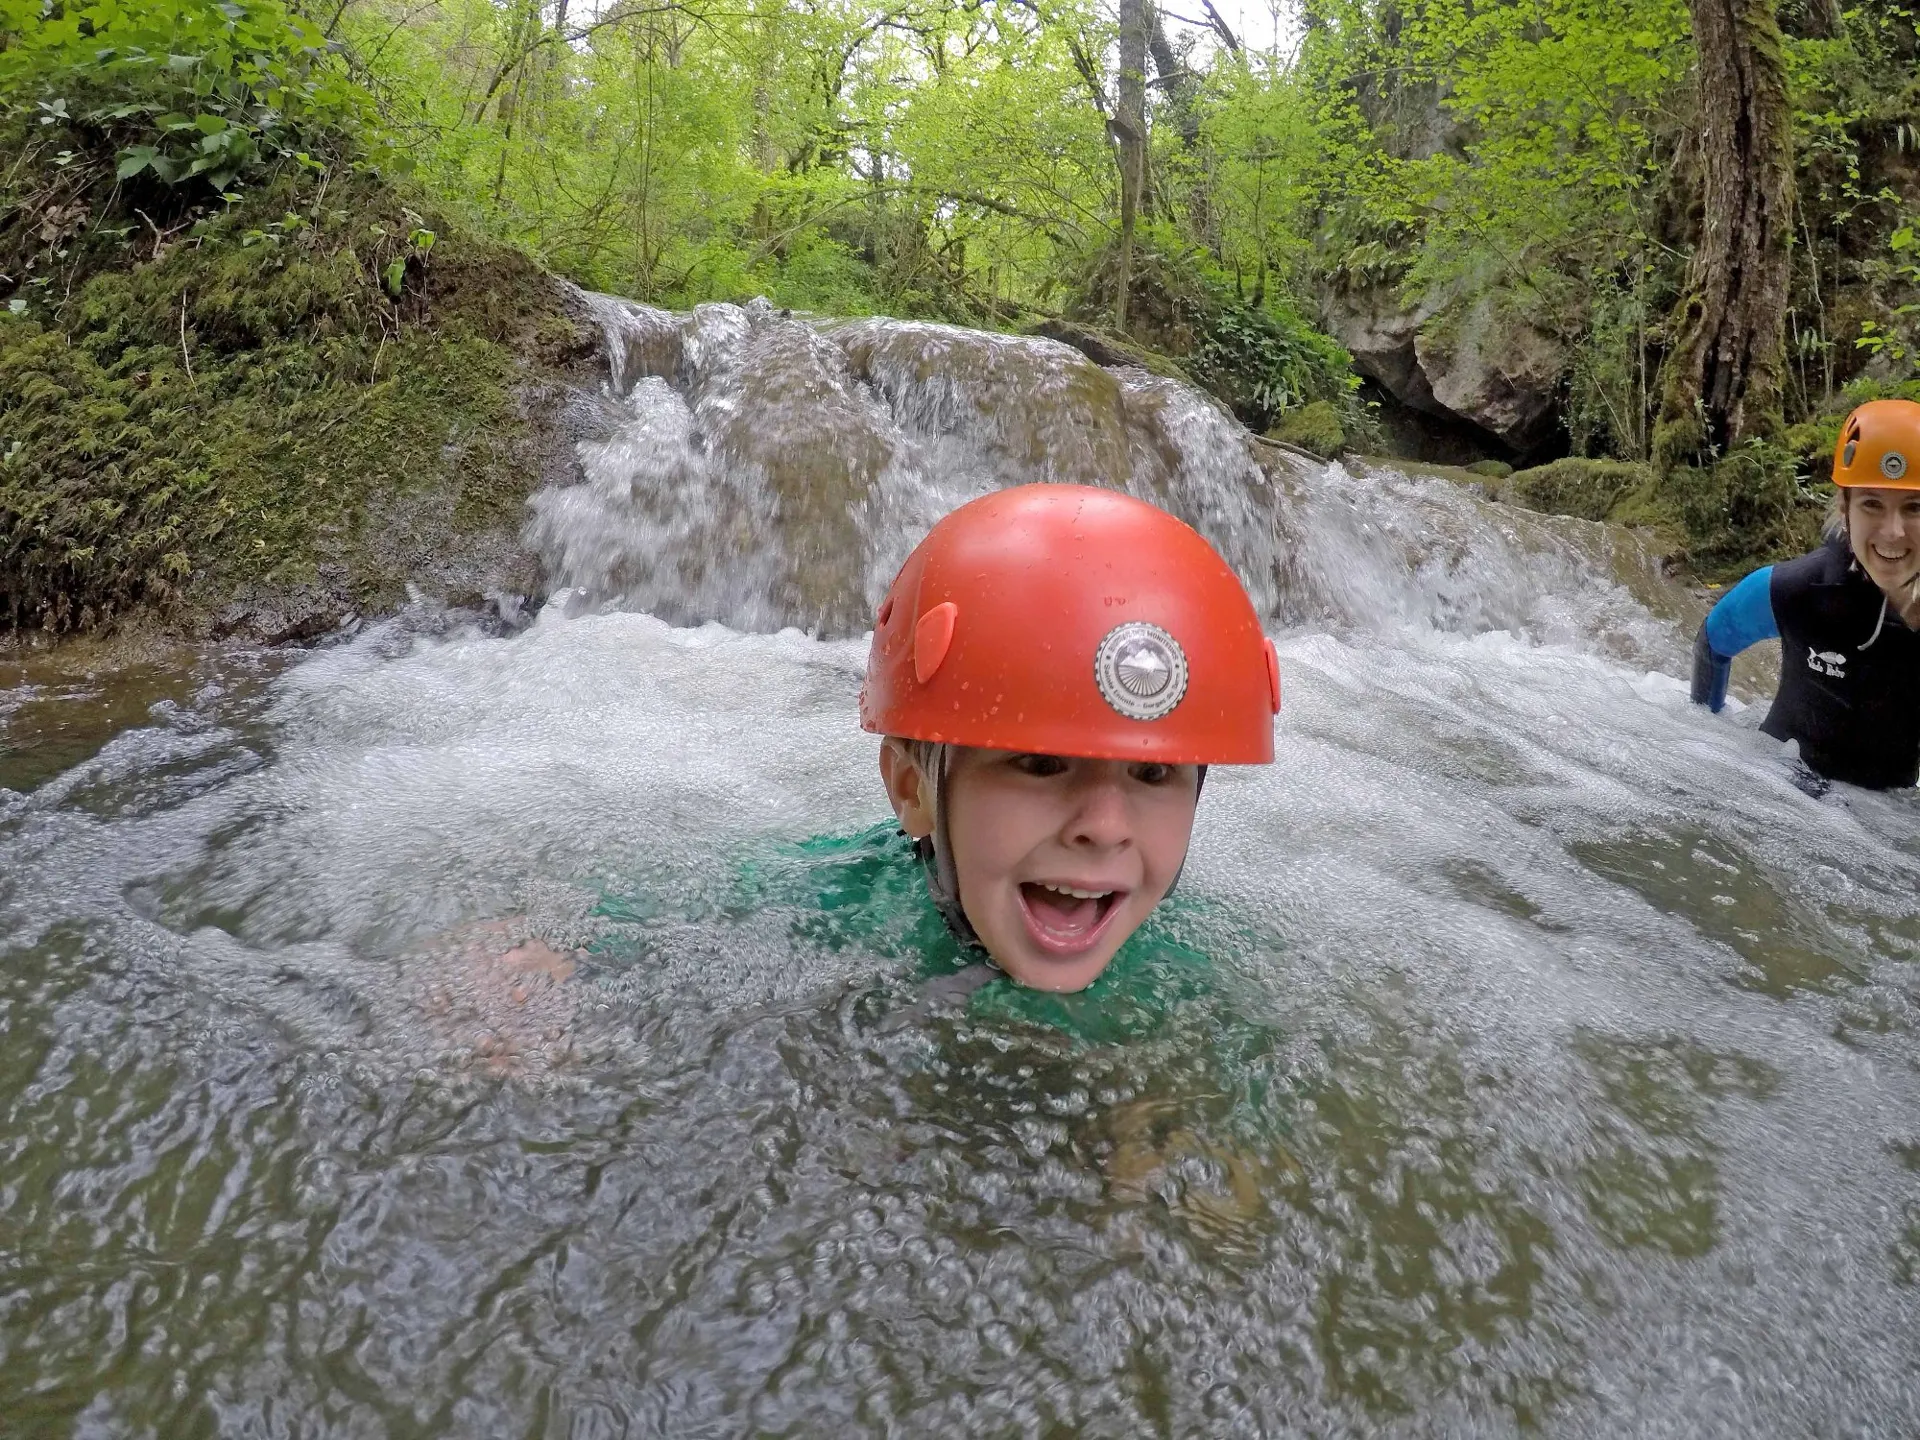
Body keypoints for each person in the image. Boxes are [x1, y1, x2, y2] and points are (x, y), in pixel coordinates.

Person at [859, 482, 1283, 990]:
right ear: (912, 788)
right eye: (1041, 765)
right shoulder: (841, 942)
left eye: (1152, 772)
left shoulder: (1214, 974)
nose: (1105, 828)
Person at [1692, 399, 1920, 789]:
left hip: (1887, 823)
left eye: (1915, 507)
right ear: (1845, 508)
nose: (1893, 531)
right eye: (1871, 504)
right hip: (1777, 793)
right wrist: (1704, 736)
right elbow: (1712, 643)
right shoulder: (1797, 589)